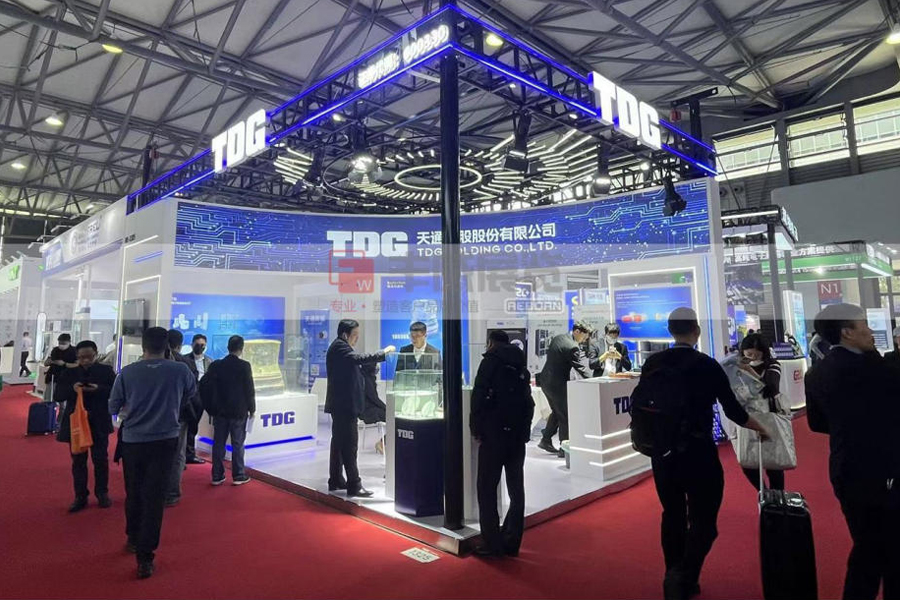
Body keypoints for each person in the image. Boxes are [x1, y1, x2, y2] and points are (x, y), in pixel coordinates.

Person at [641, 307, 770, 600]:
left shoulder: (652, 363)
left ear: (670, 331)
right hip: (698, 453)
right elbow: (733, 410)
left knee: (672, 515)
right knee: (704, 522)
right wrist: (761, 427)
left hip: (662, 453)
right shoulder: (706, 365)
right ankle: (685, 576)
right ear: (697, 331)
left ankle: (674, 574)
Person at [806, 303, 900, 600]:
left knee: (869, 545)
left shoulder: (816, 373)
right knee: (882, 550)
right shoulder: (876, 369)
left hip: (845, 468)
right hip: (884, 471)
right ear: (847, 332)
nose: (871, 331)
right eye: (864, 325)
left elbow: (817, 423)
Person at [108, 327, 197, 580]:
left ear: (143, 346)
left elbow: (113, 406)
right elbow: (190, 394)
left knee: (134, 491)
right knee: (155, 497)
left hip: (133, 441)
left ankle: (133, 537)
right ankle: (145, 557)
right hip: (165, 440)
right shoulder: (180, 371)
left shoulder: (127, 372)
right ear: (167, 346)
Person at [470, 330, 534, 558]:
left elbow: (478, 397)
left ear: (490, 343)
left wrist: (476, 429)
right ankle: (512, 540)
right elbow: (528, 403)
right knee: (516, 489)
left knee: (487, 488)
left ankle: (491, 543)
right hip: (516, 436)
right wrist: (524, 432)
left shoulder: (489, 363)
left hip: (493, 434)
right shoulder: (520, 366)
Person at [325, 319, 394, 497]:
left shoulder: (339, 347)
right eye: (355, 335)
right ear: (345, 334)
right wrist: (383, 353)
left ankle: (336, 479)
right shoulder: (340, 347)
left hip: (342, 405)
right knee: (349, 446)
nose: (357, 338)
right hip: (344, 406)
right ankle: (354, 485)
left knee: (339, 444)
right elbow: (359, 359)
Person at [55, 341, 117, 512]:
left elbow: (115, 391)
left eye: (89, 357)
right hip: (77, 422)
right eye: (82, 357)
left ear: (96, 354)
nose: (86, 361)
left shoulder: (105, 371)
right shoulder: (70, 372)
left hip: (99, 420)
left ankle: (102, 493)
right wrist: (73, 389)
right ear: (77, 356)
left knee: (100, 459)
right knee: (78, 461)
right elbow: (58, 395)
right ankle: (80, 496)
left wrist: (98, 389)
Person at [735, 333, 788, 491]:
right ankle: (763, 492)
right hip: (747, 418)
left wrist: (750, 371)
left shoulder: (772, 365)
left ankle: (777, 496)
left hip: (768, 417)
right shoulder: (736, 367)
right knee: (747, 460)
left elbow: (771, 388)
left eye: (756, 354)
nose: (752, 357)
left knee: (773, 462)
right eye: (749, 354)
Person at [536, 321, 592, 457]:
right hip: (557, 385)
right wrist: (595, 381)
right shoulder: (572, 347)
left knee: (557, 411)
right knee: (565, 415)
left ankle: (545, 439)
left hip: (545, 381)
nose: (585, 340)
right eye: (584, 337)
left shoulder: (559, 338)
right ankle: (564, 449)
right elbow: (582, 369)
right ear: (577, 332)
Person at [205, 335, 255, 487]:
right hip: (238, 411)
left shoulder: (217, 365)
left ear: (228, 347)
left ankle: (217, 475)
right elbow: (249, 390)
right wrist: (252, 409)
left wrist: (210, 407)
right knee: (238, 444)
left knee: (218, 444)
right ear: (241, 348)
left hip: (220, 411)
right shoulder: (244, 366)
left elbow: (207, 386)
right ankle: (238, 475)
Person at [165, 329, 204, 506]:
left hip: (164, 414)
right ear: (181, 345)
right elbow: (192, 391)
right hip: (180, 414)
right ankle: (172, 492)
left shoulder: (149, 363)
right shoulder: (186, 363)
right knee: (177, 454)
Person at [184, 334, 211, 464]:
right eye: (197, 344)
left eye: (202, 345)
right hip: (188, 397)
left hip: (202, 396)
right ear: (192, 345)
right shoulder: (184, 360)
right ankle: (186, 453)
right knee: (187, 426)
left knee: (194, 426)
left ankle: (189, 453)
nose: (200, 347)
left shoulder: (209, 361)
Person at [360, 362, 387, 454]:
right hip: (368, 412)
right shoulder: (366, 379)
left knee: (392, 418)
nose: (377, 367)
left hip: (368, 409)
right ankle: (382, 443)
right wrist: (387, 408)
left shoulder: (365, 377)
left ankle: (384, 442)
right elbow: (374, 398)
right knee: (394, 420)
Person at [44, 334, 77, 403]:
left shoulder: (74, 351)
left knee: (63, 402)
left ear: (69, 342)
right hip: (53, 376)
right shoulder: (55, 350)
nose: (61, 345)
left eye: (63, 343)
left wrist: (64, 364)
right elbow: (46, 362)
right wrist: (50, 362)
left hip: (67, 379)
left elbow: (77, 365)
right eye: (60, 343)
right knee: (48, 399)